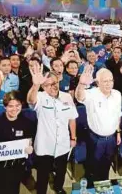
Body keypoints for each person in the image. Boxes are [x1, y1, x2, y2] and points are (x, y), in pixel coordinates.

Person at [27, 62, 78, 194]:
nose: (53, 86)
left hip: (63, 143)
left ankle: (58, 188)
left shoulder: (67, 97)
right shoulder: (40, 97)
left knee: (61, 171)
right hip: (45, 145)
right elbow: (31, 100)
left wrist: (73, 137)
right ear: (43, 86)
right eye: (48, 84)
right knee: (43, 174)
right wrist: (35, 84)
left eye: (55, 83)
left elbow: (72, 118)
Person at [75, 66, 122, 182]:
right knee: (93, 167)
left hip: (111, 138)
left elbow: (118, 115)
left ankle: (104, 185)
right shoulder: (91, 94)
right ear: (98, 82)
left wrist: (118, 132)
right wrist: (81, 84)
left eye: (110, 80)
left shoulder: (117, 94)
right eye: (105, 81)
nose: (108, 84)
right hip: (95, 139)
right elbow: (79, 97)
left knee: (106, 166)